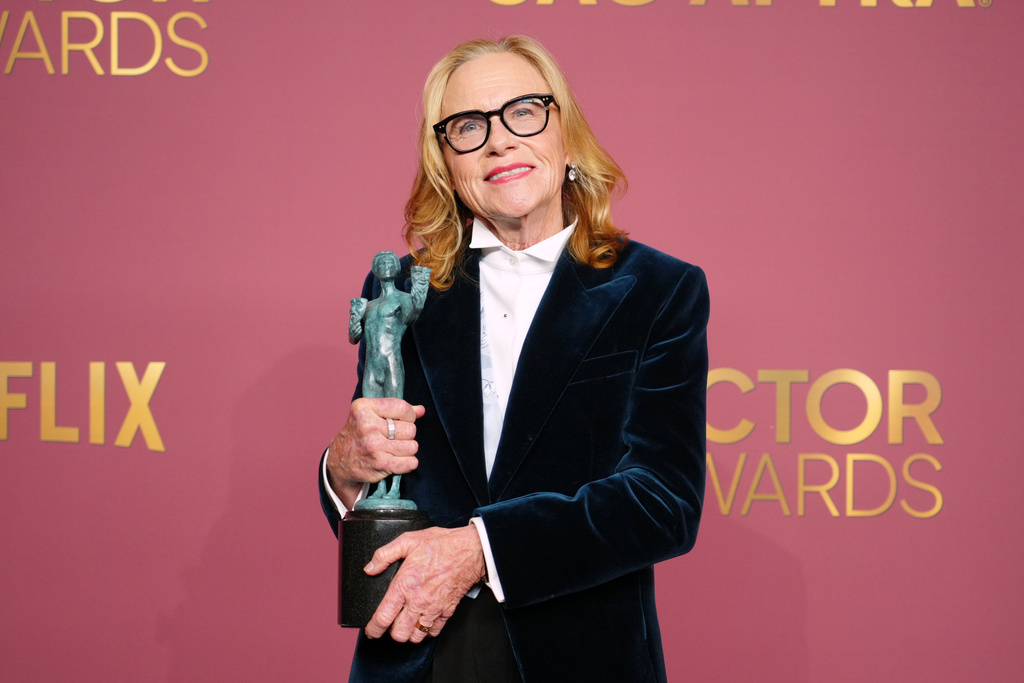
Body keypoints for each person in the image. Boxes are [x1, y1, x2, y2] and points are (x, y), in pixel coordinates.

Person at [319, 35, 709, 683]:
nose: (499, 140)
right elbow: (378, 496)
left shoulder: (659, 290)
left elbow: (663, 499)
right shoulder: (400, 288)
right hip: (417, 653)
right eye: (469, 127)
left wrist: (481, 548)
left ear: (565, 132)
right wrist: (343, 466)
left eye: (524, 111)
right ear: (445, 160)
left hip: (584, 656)